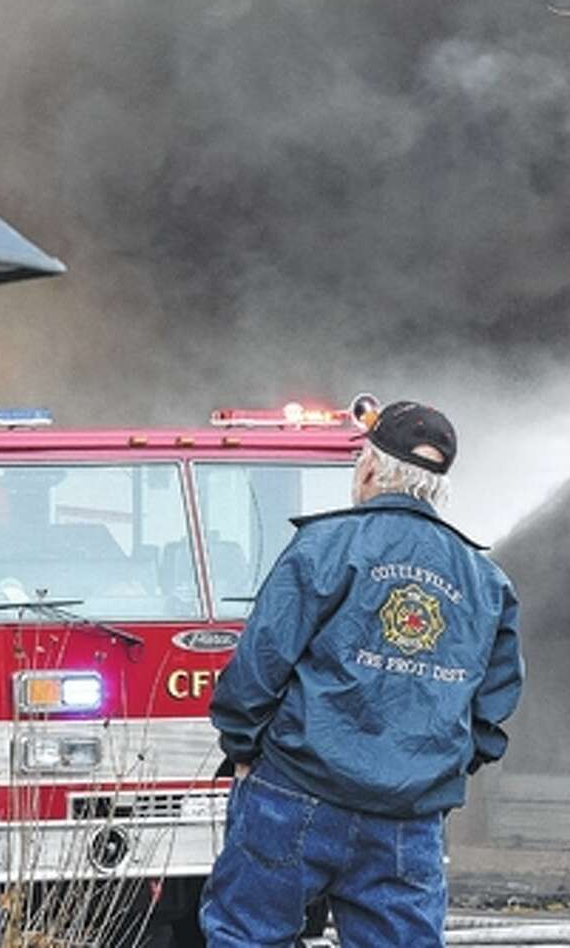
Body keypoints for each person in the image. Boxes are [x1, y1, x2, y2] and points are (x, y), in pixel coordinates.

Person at [199, 400, 523, 948]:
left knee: (247, 938)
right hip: (408, 817)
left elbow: (256, 670)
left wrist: (246, 750)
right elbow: (492, 711)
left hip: (293, 792)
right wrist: (435, 771)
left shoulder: (322, 548)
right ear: (440, 488)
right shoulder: (486, 581)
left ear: (370, 468)